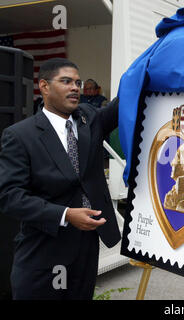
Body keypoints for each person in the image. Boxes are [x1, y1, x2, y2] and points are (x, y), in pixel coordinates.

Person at [0, 58, 121, 300]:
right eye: (66, 81)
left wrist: (150, 63)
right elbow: (10, 196)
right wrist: (65, 215)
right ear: (44, 86)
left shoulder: (89, 118)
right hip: (44, 251)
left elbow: (123, 104)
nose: (75, 87)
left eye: (78, 82)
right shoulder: (20, 136)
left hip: (87, 248)